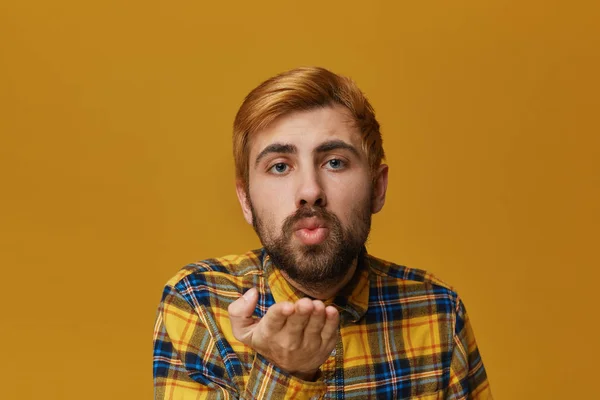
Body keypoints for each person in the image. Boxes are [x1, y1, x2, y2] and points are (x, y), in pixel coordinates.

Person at [153, 66, 492, 399]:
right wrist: (287, 373)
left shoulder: (438, 311)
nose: (310, 191)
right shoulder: (198, 302)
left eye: (334, 162)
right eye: (280, 166)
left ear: (377, 187)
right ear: (245, 199)